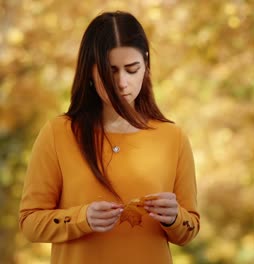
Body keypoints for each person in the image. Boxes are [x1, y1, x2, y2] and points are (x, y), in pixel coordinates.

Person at [18, 11, 199, 264]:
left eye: (132, 69)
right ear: (89, 70)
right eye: (110, 71)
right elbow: (29, 223)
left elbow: (189, 230)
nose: (122, 82)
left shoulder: (173, 138)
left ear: (146, 65)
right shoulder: (58, 133)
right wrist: (83, 219)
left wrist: (174, 217)